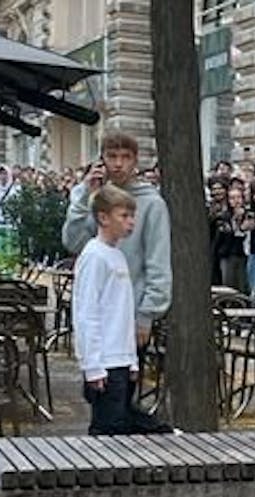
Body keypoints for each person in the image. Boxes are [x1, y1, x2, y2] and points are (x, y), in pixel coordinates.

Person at [73, 185, 171, 436]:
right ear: (103, 218)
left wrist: (131, 359)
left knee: (123, 422)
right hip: (104, 360)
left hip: (121, 359)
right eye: (124, 216)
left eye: (132, 216)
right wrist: (92, 366)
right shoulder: (94, 256)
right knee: (108, 429)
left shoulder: (116, 255)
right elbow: (87, 314)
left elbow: (122, 314)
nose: (131, 222)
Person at [62, 132, 172, 347]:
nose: (118, 164)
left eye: (125, 157)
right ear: (102, 159)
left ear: (135, 161)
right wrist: (85, 195)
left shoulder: (151, 203)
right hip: (95, 310)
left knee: (123, 379)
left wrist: (147, 314)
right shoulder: (95, 195)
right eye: (112, 157)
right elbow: (73, 242)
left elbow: (158, 261)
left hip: (130, 310)